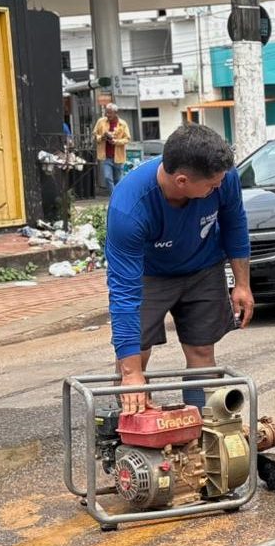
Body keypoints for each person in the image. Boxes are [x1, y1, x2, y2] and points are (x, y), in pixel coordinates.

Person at [104, 123, 254, 414]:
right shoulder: (129, 208)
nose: (219, 187)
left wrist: (242, 283)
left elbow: (235, 223)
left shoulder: (224, 175)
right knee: (136, 356)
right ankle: (132, 433)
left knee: (202, 350)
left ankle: (203, 431)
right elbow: (123, 294)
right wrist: (131, 373)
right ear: (182, 180)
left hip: (204, 267)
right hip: (148, 274)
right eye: (212, 185)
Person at [94, 104, 131, 193]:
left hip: (118, 156)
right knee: (107, 177)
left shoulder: (122, 124)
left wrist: (116, 142)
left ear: (115, 113)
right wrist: (102, 137)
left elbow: (127, 138)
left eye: (110, 113)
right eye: (106, 112)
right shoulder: (101, 122)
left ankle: (118, 197)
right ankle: (114, 196)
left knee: (118, 180)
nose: (107, 115)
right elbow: (94, 135)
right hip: (106, 156)